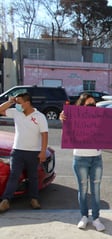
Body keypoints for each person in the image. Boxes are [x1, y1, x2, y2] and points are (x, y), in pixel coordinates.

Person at [59, 93, 105, 231]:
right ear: (81, 105)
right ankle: (84, 216)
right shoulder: (73, 117)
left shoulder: (100, 118)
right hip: (80, 158)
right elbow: (68, 133)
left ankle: (96, 218)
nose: (92, 106)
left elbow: (107, 134)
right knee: (83, 189)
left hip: (96, 158)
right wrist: (64, 120)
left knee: (96, 190)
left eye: (94, 104)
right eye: (89, 104)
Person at [0, 92, 48, 212]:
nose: (17, 105)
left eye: (19, 102)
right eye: (16, 102)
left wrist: (42, 152)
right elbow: (0, 110)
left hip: (33, 152)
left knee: (33, 177)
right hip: (17, 151)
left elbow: (44, 135)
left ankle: (34, 199)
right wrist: (11, 102)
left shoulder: (39, 116)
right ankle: (6, 200)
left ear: (27, 103)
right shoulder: (16, 113)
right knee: (14, 176)